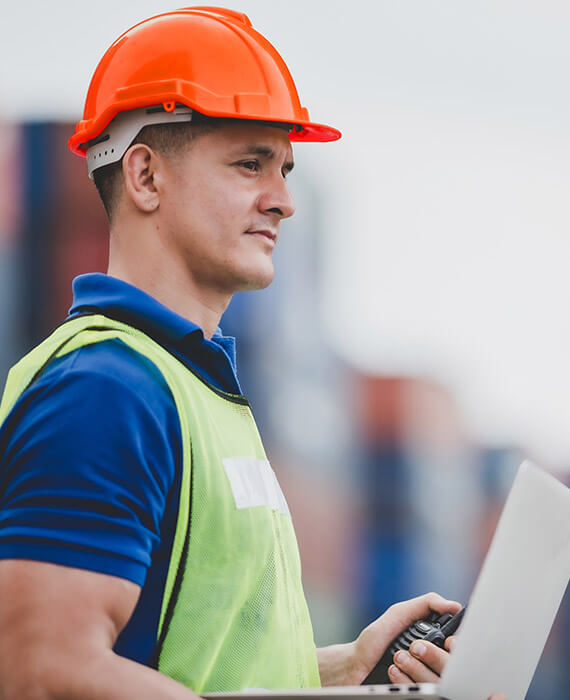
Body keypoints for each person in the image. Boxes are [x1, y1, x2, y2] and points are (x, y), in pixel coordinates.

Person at [0, 7, 504, 700]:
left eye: (286, 169)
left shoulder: (196, 390)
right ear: (144, 176)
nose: (284, 201)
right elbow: (43, 673)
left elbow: (196, 664)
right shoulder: (105, 388)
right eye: (250, 164)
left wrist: (347, 670)